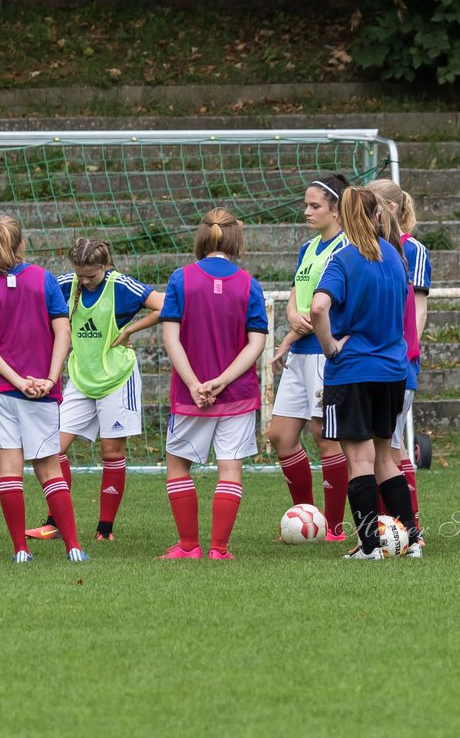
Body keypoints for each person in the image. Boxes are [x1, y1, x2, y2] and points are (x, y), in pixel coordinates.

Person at [26, 237, 163, 543]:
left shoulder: (121, 286)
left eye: (92, 275)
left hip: (116, 378)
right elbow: (34, 297)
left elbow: (166, 305)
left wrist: (130, 329)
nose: (85, 281)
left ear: (105, 265)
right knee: (50, 447)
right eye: (81, 275)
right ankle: (56, 521)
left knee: (111, 451)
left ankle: (105, 527)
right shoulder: (65, 283)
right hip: (81, 378)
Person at [0, 216, 88, 563]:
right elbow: (63, 333)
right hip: (41, 389)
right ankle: (73, 547)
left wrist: (17, 381)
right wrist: (49, 379)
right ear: (22, 244)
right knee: (49, 469)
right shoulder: (44, 280)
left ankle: (21, 550)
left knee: (9, 470)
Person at [309, 187, 416, 560]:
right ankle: (411, 541)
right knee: (386, 457)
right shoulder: (394, 255)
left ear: (341, 217)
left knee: (359, 460)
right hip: (392, 370)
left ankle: (369, 546)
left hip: (352, 370)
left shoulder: (343, 258)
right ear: (375, 216)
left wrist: (330, 347)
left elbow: (318, 307)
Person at [159, 208, 268, 560]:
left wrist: (194, 383)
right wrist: (221, 381)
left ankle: (189, 545)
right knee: (230, 467)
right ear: (237, 241)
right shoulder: (249, 284)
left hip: (192, 396)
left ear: (201, 238)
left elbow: (170, 339)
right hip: (237, 394)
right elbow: (256, 344)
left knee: (178, 464)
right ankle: (219, 549)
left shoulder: (181, 279)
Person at [269, 174, 350, 539]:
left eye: (314, 205)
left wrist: (307, 324)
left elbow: (334, 303)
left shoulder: (348, 248)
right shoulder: (308, 248)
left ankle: (332, 526)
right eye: (306, 204)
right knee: (279, 436)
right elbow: (295, 294)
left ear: (336, 208)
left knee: (324, 436)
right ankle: (307, 516)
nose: (307, 211)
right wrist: (290, 319)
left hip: (326, 351)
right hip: (300, 352)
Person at [367, 178, 431, 552]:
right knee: (381, 447)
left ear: (388, 209)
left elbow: (418, 307)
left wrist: (405, 349)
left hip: (397, 362)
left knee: (389, 449)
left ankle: (409, 530)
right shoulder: (367, 248)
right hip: (374, 361)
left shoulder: (413, 249)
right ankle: (387, 529)